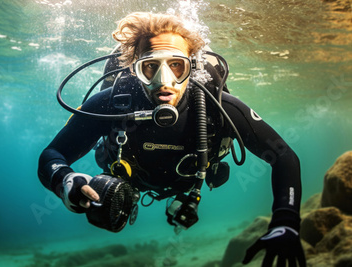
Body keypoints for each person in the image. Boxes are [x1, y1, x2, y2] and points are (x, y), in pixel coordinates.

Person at [38, 12, 306, 266]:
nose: (164, 82)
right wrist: (64, 180)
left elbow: (283, 156)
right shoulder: (111, 103)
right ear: (135, 68)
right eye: (150, 67)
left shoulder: (218, 107)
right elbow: (52, 155)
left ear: (193, 67)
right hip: (132, 177)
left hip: (189, 181)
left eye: (176, 66)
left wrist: (286, 220)